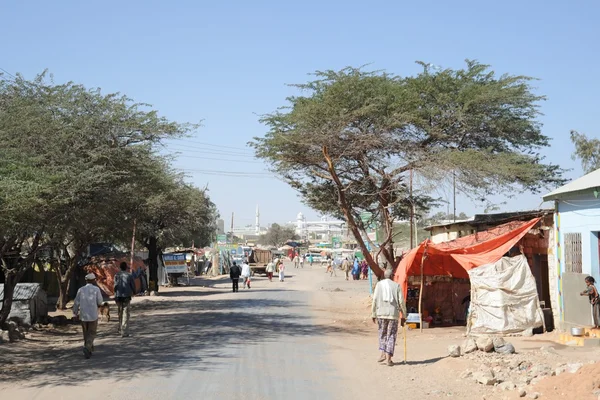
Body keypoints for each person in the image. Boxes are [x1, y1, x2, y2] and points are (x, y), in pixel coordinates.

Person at [371, 269, 407, 367]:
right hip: (393, 315)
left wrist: (373, 314)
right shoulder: (396, 286)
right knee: (391, 335)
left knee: (382, 333)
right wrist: (404, 315)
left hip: (381, 314)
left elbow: (374, 299)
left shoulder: (379, 285)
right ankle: (388, 359)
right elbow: (401, 302)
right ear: (392, 276)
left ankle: (383, 353)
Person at [73, 273, 104, 359]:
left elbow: (76, 302)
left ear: (86, 280)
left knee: (86, 333)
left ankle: (89, 349)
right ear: (94, 280)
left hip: (83, 315)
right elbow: (100, 301)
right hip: (93, 315)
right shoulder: (96, 289)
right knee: (92, 332)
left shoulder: (81, 290)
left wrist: (75, 313)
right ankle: (87, 347)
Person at [113, 262, 136, 338]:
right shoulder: (129, 275)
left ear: (120, 267)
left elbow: (115, 286)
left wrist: (115, 295)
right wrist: (134, 291)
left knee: (120, 313)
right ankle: (124, 331)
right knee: (125, 313)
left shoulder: (116, 275)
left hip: (118, 296)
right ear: (126, 267)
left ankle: (120, 328)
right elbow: (132, 285)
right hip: (126, 296)